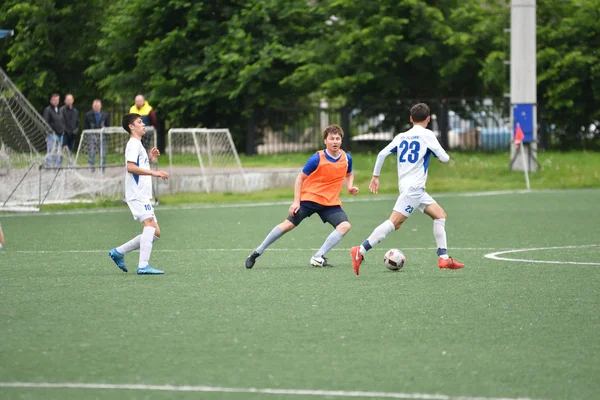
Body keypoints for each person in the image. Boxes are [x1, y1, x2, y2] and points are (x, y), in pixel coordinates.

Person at [350, 103, 464, 275]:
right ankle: (361, 250)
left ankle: (443, 257)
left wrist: (375, 176)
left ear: (411, 119)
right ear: (428, 119)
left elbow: (381, 154)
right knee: (394, 223)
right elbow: (445, 157)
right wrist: (440, 158)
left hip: (409, 187)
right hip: (415, 188)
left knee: (440, 215)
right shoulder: (427, 134)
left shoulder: (401, 136)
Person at [245, 124, 359, 269]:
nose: (335, 142)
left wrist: (349, 186)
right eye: (331, 139)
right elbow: (300, 178)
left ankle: (318, 257)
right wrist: (296, 202)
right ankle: (257, 252)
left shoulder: (347, 158)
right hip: (310, 198)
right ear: (325, 140)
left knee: (344, 226)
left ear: (341, 140)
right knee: (288, 225)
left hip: (330, 203)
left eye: (338, 138)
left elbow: (349, 174)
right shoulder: (317, 158)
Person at [108, 113, 169, 275]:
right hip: (137, 194)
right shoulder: (133, 144)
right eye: (139, 122)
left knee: (155, 232)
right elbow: (131, 167)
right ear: (131, 126)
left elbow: (138, 165)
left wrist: (150, 158)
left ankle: (119, 252)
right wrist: (154, 173)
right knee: (149, 227)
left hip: (142, 194)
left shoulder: (138, 145)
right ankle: (143, 266)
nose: (143, 125)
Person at [83, 99, 110, 171]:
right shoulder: (88, 115)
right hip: (91, 136)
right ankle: (91, 168)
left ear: (100, 106)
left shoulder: (105, 114)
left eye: (98, 106)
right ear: (92, 106)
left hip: (102, 137)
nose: (96, 107)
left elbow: (108, 126)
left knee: (103, 154)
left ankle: (102, 168)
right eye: (95, 106)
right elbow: (86, 127)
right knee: (91, 153)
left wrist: (106, 136)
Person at [42, 93, 66, 167]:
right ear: (51, 100)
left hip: (60, 133)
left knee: (58, 151)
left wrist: (63, 129)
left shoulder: (59, 110)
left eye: (57, 100)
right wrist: (50, 131)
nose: (56, 101)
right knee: (51, 150)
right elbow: (45, 122)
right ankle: (48, 166)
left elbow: (62, 121)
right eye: (54, 100)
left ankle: (57, 165)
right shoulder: (47, 110)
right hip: (52, 134)